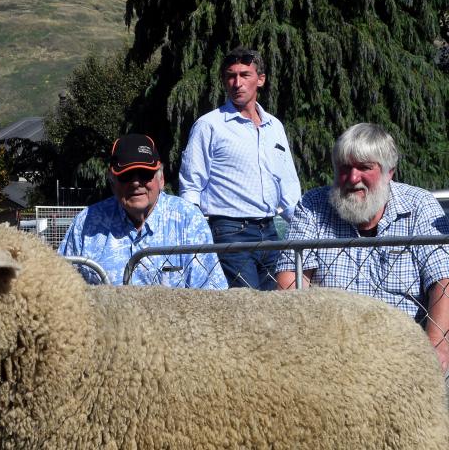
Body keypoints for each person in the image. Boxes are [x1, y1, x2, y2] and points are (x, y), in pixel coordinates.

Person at [275, 123, 449, 371]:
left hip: (402, 350)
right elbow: (290, 280)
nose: (353, 178)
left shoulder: (420, 205)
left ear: (389, 172)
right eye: (344, 167)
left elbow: (443, 282)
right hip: (330, 351)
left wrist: (437, 344)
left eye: (364, 167)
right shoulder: (312, 206)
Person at [179, 47, 301, 290]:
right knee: (246, 305)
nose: (237, 83)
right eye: (230, 76)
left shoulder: (274, 126)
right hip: (229, 231)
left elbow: (288, 184)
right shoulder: (209, 125)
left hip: (270, 230)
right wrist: (195, 236)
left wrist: (302, 226)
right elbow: (191, 186)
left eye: (245, 75)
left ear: (260, 80)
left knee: (278, 303)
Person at [59, 134, 227, 289]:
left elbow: (211, 294)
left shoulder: (188, 220)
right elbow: (61, 289)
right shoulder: (86, 222)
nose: (136, 183)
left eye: (145, 174)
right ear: (112, 183)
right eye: (126, 175)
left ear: (161, 179)